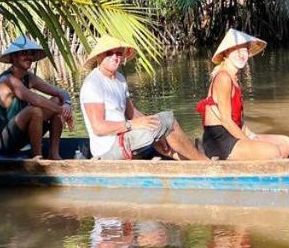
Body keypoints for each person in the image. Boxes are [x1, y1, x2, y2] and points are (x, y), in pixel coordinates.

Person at [79, 35, 207, 161]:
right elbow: (99, 128)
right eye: (109, 53)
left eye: (118, 53)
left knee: (162, 124)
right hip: (107, 150)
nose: (115, 57)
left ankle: (190, 163)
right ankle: (204, 163)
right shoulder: (93, 83)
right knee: (168, 120)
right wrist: (131, 125)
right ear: (99, 56)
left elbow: (132, 113)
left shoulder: (120, 79)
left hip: (124, 136)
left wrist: (155, 127)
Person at [195, 28, 289, 160]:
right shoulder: (223, 77)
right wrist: (249, 142)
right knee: (273, 153)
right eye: (236, 50)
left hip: (233, 134)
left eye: (244, 50)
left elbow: (238, 120)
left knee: (286, 143)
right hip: (220, 141)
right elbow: (226, 120)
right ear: (226, 53)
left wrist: (251, 135)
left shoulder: (234, 78)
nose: (241, 54)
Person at [0, 34, 74, 159]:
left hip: (21, 135)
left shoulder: (28, 77)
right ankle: (37, 156)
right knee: (34, 111)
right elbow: (35, 99)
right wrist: (64, 112)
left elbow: (61, 93)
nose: (29, 57)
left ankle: (54, 154)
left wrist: (66, 105)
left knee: (57, 101)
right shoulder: (7, 80)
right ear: (13, 57)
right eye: (24, 53)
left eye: (31, 53)